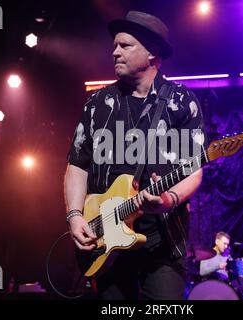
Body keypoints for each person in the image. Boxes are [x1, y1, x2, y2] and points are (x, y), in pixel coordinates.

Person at [64, 11, 206, 300]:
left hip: (163, 243)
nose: (114, 52)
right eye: (114, 45)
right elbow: (76, 166)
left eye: (125, 45)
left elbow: (194, 168)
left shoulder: (181, 101)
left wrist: (169, 199)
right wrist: (75, 216)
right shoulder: (97, 103)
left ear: (152, 52)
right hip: (106, 240)